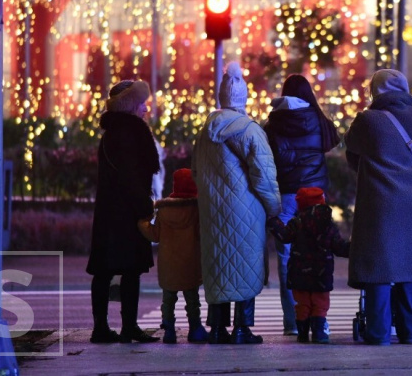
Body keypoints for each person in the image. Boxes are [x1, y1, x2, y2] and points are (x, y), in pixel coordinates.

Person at [344, 69, 412, 345]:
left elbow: (351, 150)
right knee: (410, 265)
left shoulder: (367, 121)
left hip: (376, 203)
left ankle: (377, 333)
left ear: (375, 91)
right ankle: (411, 332)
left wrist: (369, 172)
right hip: (411, 203)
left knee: (378, 267)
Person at [192, 61, 281, 345]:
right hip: (247, 210)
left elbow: (195, 170)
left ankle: (217, 328)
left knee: (219, 264)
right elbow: (265, 176)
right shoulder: (250, 130)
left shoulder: (205, 132)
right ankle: (242, 328)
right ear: (243, 98)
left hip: (212, 210)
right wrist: (274, 208)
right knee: (245, 263)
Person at [263, 73, 341, 336]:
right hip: (315, 196)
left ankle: (294, 321)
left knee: (287, 259)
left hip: (286, 194)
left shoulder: (274, 123)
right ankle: (319, 319)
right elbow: (335, 139)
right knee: (320, 255)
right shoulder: (319, 121)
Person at [86, 79, 160, 344]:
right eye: (142, 104)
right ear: (130, 105)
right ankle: (127, 326)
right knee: (130, 270)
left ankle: (102, 327)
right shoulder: (131, 133)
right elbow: (131, 175)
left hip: (110, 210)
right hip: (126, 211)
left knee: (105, 270)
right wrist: (144, 204)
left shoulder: (112, 133)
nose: (145, 109)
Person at [267, 187, 350, 344]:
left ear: (300, 205)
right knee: (320, 303)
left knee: (302, 303)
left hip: (299, 273)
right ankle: (319, 333)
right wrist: (355, 249)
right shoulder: (328, 225)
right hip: (322, 273)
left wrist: (273, 221)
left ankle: (303, 334)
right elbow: (339, 247)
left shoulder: (296, 223)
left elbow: (284, 236)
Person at [138, 168, 209, 344]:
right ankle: (195, 329)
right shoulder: (197, 210)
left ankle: (169, 331)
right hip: (190, 264)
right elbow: (203, 235)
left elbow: (154, 235)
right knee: (192, 300)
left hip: (168, 265)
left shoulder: (164, 210)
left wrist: (143, 222)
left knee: (168, 300)